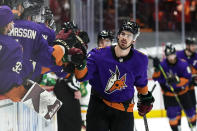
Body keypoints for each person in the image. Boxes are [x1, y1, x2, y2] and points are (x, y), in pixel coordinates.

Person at [72, 20, 155, 131]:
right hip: (98, 107)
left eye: (129, 35)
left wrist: (145, 97)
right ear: (118, 35)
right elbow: (81, 77)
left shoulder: (140, 60)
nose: (125, 37)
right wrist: (80, 64)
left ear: (134, 40)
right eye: (123, 34)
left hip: (123, 110)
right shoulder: (98, 54)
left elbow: (141, 83)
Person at [152, 43, 196, 131]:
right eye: (169, 56)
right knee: (172, 115)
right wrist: (156, 69)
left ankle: (193, 127)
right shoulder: (162, 65)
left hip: (183, 93)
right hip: (169, 95)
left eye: (172, 55)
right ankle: (176, 129)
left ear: (175, 54)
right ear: (166, 56)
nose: (171, 58)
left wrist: (178, 81)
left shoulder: (183, 64)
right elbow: (155, 78)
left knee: (191, 113)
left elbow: (188, 79)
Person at [80, 30, 115, 129]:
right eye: (101, 42)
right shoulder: (93, 56)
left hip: (115, 102)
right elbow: (84, 75)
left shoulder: (118, 55)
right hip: (97, 100)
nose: (104, 44)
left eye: (107, 41)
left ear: (112, 42)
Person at [0, 5, 26, 102]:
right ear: (6, 25)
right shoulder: (14, 46)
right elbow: (9, 78)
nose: (13, 23)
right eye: (11, 21)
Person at [176, 37, 197, 125]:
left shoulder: (196, 56)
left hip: (190, 89)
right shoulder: (178, 55)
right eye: (192, 45)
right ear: (187, 46)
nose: (195, 47)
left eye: (195, 45)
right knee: (177, 111)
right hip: (179, 89)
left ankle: (193, 126)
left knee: (192, 111)